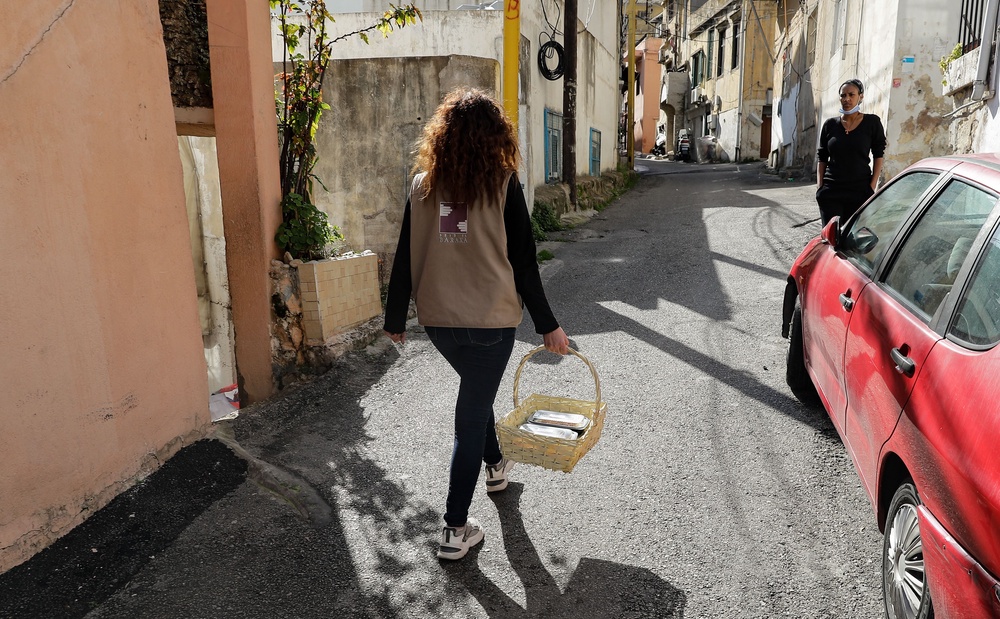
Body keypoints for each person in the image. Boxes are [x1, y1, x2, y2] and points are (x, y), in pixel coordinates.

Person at [383, 88, 570, 561]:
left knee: (476, 393)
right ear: (495, 138)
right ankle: (453, 528)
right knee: (470, 417)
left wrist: (394, 315)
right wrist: (548, 325)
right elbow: (525, 264)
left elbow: (406, 254)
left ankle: (496, 465)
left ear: (442, 138)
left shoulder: (422, 184)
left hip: (440, 322)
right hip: (491, 324)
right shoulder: (504, 185)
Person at [816, 78, 887, 225]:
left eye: (851, 95)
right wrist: (820, 187)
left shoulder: (872, 122)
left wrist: (871, 186)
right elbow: (822, 157)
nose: (846, 99)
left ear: (860, 97)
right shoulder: (830, 125)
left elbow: (878, 154)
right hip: (831, 191)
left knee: (853, 241)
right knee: (832, 239)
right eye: (843, 95)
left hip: (860, 190)